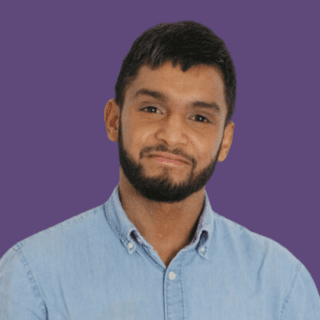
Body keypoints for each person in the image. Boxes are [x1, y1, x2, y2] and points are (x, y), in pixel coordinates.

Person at [0, 20, 319, 319]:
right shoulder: (31, 276)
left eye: (200, 118)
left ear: (225, 141)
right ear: (114, 120)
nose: (171, 136)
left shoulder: (283, 285)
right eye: (152, 108)